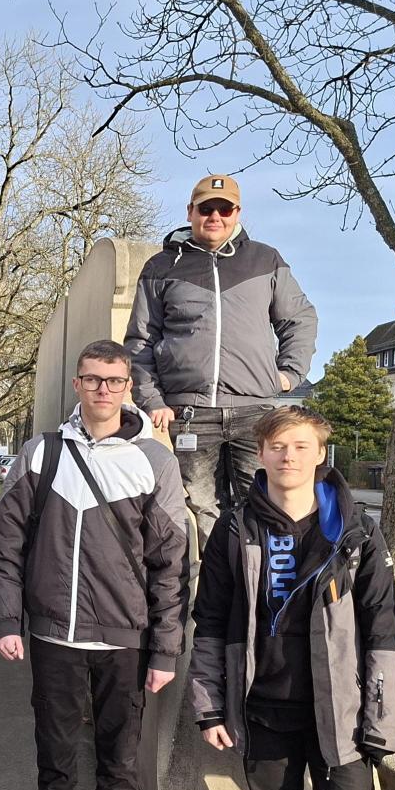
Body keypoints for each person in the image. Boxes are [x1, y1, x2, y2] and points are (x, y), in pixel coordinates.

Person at [188, 406, 395, 790]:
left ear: (320, 454)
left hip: (341, 713)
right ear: (261, 454)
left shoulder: (355, 529)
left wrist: (382, 719)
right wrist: (210, 706)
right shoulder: (236, 528)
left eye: (301, 446)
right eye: (277, 446)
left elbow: (384, 626)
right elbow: (208, 622)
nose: (288, 456)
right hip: (265, 709)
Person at [0, 339, 189, 790]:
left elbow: (170, 566)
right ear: (77, 384)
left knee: (119, 766)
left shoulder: (154, 460)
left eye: (115, 380)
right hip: (53, 637)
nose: (103, 389)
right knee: (58, 763)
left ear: (129, 388)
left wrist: (165, 649)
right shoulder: (43, 453)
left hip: (125, 643)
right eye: (93, 379)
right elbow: (6, 545)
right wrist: (5, 621)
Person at [123, 174, 318, 550]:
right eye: (206, 208)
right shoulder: (162, 266)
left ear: (237, 213)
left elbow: (299, 319)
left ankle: (261, 595)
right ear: (191, 212)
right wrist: (153, 400)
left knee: (264, 503)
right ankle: (220, 596)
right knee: (201, 509)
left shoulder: (265, 260)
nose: (215, 216)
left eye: (224, 208)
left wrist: (290, 373)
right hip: (190, 414)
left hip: (254, 411)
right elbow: (140, 340)